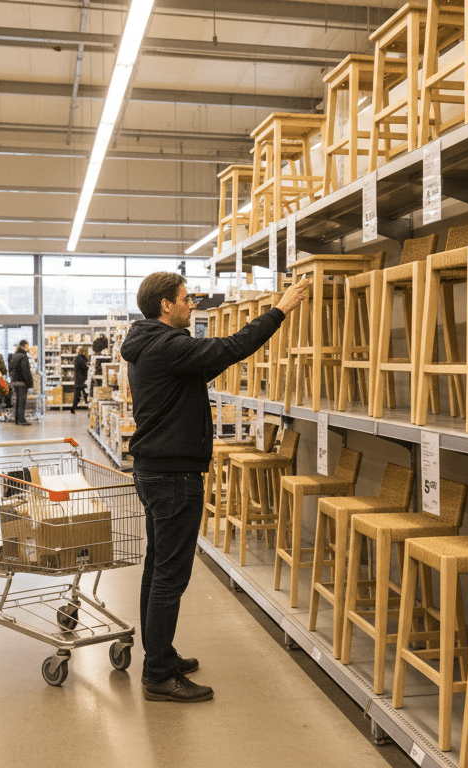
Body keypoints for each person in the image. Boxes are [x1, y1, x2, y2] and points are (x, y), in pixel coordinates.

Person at [121, 271, 310, 703]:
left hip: (156, 469)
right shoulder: (166, 345)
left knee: (158, 567)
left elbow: (212, 361)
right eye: (186, 299)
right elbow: (230, 348)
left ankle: (160, 654)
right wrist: (280, 309)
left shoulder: (147, 343)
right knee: (171, 574)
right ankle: (158, 675)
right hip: (173, 475)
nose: (193, 305)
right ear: (166, 305)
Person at [7, 340, 35, 425]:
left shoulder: (14, 355)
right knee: (22, 400)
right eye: (28, 346)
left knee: (18, 400)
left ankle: (17, 419)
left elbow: (10, 369)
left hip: (15, 381)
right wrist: (29, 383)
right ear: (25, 346)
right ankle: (21, 419)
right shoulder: (23, 356)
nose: (28, 348)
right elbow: (25, 371)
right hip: (21, 381)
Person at [70, 347, 90, 413]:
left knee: (77, 395)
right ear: (83, 352)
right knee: (86, 394)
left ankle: (73, 408)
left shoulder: (77, 358)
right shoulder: (82, 359)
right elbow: (85, 368)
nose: (87, 353)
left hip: (77, 379)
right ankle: (90, 407)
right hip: (82, 380)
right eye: (87, 352)